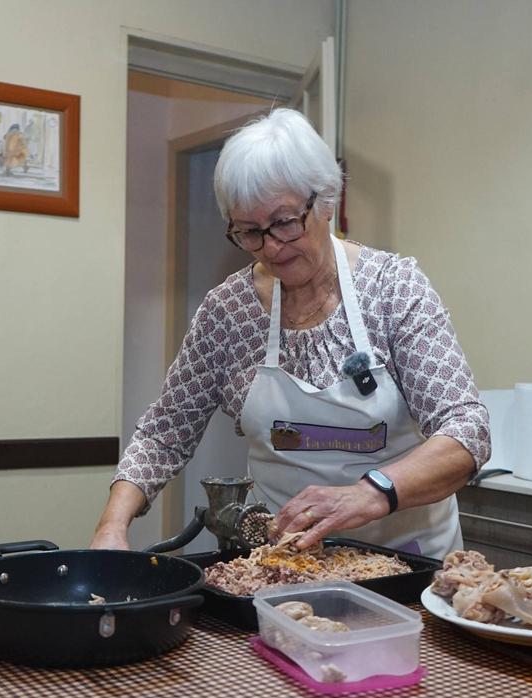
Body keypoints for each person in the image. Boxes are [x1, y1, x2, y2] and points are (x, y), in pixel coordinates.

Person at [92, 108, 490, 560]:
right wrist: (112, 525)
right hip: (288, 564)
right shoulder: (229, 312)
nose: (271, 247)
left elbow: (467, 431)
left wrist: (370, 492)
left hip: (408, 562)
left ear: (325, 202)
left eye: (284, 222)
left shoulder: (392, 289)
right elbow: (164, 433)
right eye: (249, 232)